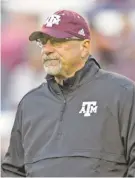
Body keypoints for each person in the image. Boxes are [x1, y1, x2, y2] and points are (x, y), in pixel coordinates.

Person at [1, 10, 135, 177]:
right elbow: (13, 170)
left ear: (84, 47)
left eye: (56, 42)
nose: (47, 50)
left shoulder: (122, 93)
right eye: (43, 42)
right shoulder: (30, 104)